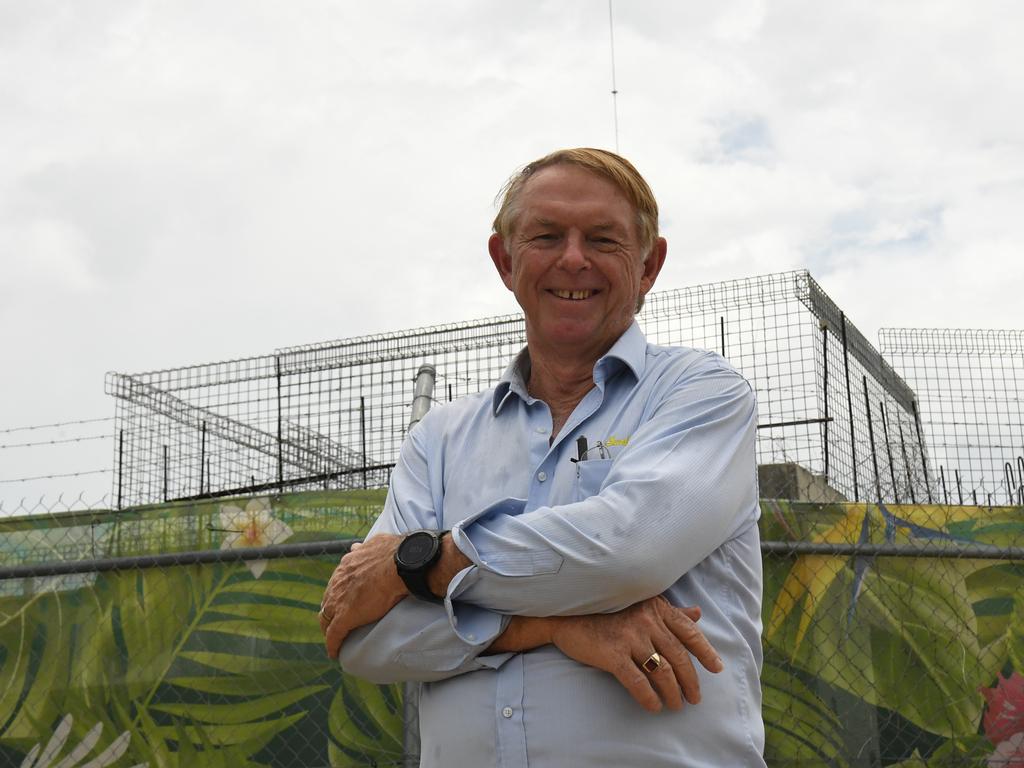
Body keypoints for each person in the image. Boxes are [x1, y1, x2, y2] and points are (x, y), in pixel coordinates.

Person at [319, 148, 766, 767]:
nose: (573, 258)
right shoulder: (440, 439)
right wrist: (557, 626)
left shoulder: (701, 393)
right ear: (505, 261)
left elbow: (629, 549)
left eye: (604, 239)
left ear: (649, 264)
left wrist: (414, 566)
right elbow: (364, 639)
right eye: (547, 235)